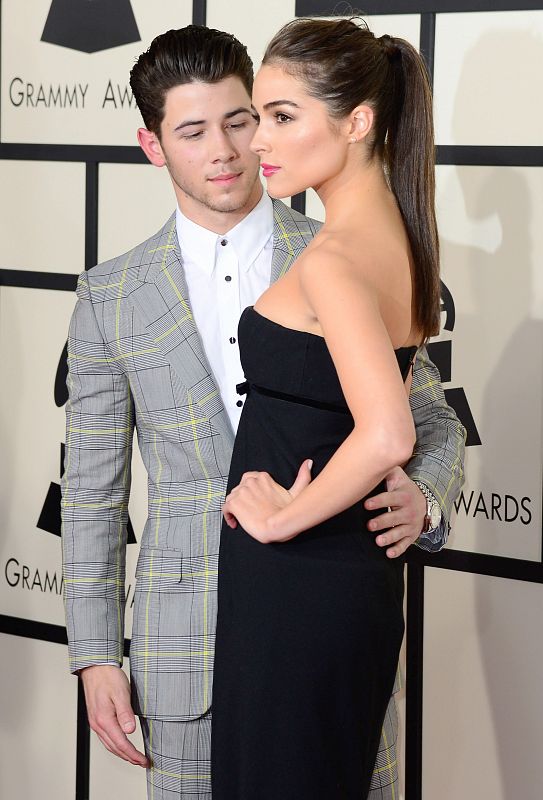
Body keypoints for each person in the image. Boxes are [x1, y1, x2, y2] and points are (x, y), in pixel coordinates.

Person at [61, 24, 465, 800]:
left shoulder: (338, 249)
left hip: (318, 627)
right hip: (184, 665)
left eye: (245, 120)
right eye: (192, 131)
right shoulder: (109, 298)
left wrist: (423, 501)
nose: (227, 149)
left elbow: (427, 423)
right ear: (154, 146)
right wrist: (95, 653)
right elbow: (90, 494)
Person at [211, 17, 450, 800]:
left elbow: (389, 431)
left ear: (356, 122)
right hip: (330, 583)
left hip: (298, 584)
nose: (256, 144)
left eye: (282, 118)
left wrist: (282, 517)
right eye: (259, 116)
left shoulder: (338, 258)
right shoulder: (400, 243)